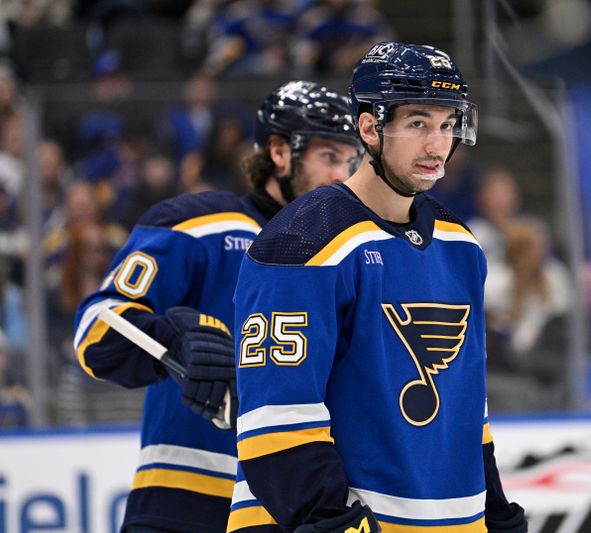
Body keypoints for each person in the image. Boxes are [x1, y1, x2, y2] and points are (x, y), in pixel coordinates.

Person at [230, 42, 526, 533]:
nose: (437, 145)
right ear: (369, 127)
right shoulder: (303, 241)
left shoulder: (461, 246)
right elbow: (275, 422)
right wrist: (335, 524)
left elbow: (467, 408)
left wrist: (494, 513)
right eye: (418, 123)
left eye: (448, 125)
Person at [72, 80, 361, 533]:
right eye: (329, 157)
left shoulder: (350, 255)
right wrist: (170, 341)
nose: (344, 175)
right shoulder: (199, 226)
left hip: (299, 506)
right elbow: (95, 326)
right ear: (280, 153)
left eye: (351, 160)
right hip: (186, 499)